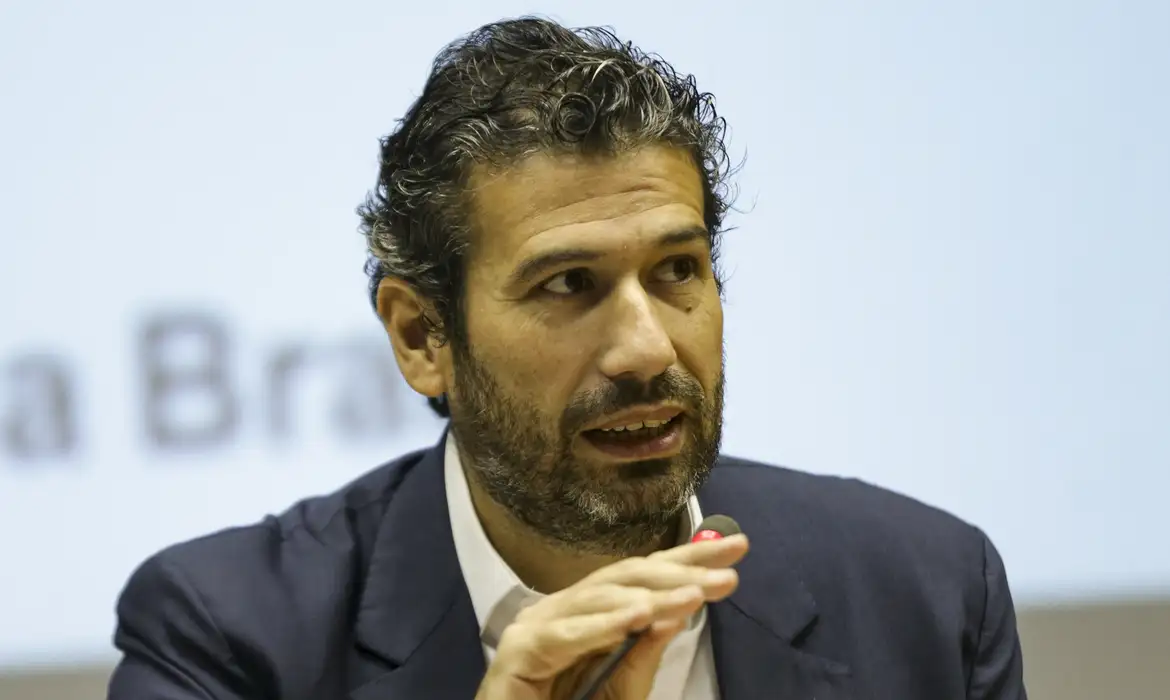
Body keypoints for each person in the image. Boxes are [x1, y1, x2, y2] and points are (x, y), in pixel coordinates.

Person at [106, 16, 1027, 700]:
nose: (646, 348)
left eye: (677, 270)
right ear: (422, 337)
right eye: (567, 285)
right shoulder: (225, 641)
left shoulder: (926, 595)